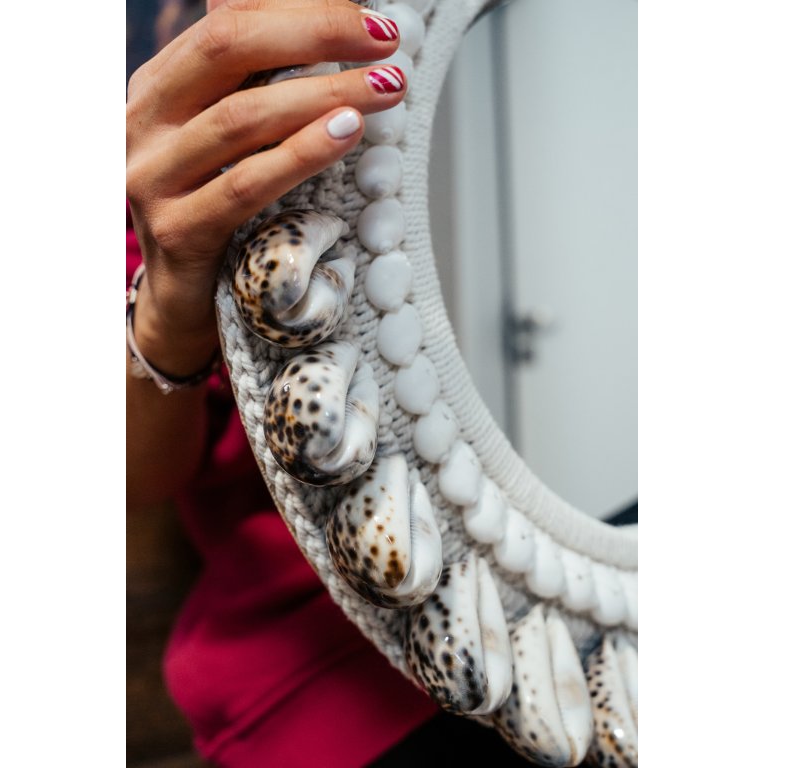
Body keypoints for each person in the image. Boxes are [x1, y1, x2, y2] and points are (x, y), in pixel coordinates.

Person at [126, 2, 543, 765]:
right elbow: (136, 472)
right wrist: (159, 321)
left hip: (551, 597)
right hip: (319, 678)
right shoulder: (166, 178)